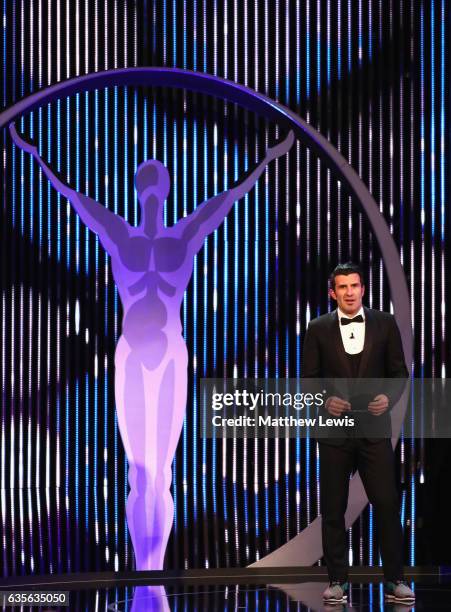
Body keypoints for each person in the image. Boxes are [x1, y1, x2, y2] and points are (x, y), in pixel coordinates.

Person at [9, 122, 294, 571]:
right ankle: (145, 574)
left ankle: (153, 574)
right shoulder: (122, 234)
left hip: (169, 354)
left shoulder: (181, 235)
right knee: (138, 472)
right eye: (147, 183)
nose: (151, 192)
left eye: (154, 183)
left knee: (160, 472)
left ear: (162, 189)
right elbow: (70, 195)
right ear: (142, 190)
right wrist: (35, 152)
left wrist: (266, 159)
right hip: (133, 354)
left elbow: (230, 198)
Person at [302, 262, 415, 605]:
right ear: (332, 292)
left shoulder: (384, 323)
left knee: (386, 503)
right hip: (334, 432)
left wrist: (388, 397)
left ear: (363, 289)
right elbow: (309, 380)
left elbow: (399, 373)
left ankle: (395, 580)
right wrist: (326, 400)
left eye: (355, 285)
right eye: (343, 287)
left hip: (373, 430)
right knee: (333, 509)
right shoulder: (318, 328)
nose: (350, 292)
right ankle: (337, 580)